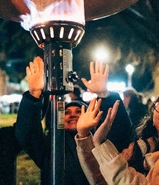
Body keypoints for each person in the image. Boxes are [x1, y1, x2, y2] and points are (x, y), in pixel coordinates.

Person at [16, 57, 132, 185]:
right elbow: (27, 134)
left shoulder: (101, 142)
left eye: (79, 112)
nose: (72, 115)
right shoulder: (52, 145)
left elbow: (123, 133)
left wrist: (104, 94)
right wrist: (33, 95)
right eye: (66, 113)